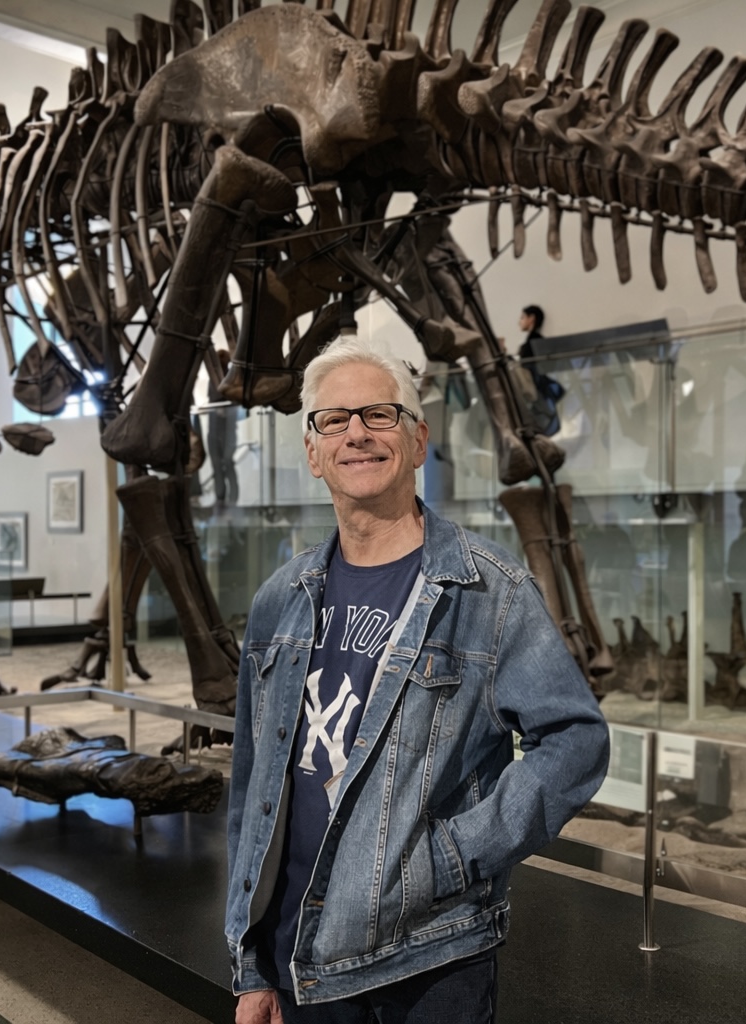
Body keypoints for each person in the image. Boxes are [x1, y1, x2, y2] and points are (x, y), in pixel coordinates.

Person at [225, 336, 610, 1023]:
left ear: (417, 438)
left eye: (380, 415)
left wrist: (456, 856)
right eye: (333, 421)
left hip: (430, 958)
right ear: (313, 452)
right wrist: (249, 961)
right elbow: (254, 788)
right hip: (299, 960)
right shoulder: (278, 599)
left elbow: (575, 741)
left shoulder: (491, 593)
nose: (357, 434)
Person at [517, 305, 565, 437]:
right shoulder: (536, 342)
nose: (519, 322)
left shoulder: (533, 343)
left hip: (535, 390)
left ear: (531, 319)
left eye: (522, 317)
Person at [208, 349, 240, 508]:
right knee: (219, 464)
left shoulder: (229, 378)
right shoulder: (214, 380)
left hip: (225, 430)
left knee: (226, 463)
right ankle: (222, 498)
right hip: (215, 429)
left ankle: (231, 498)